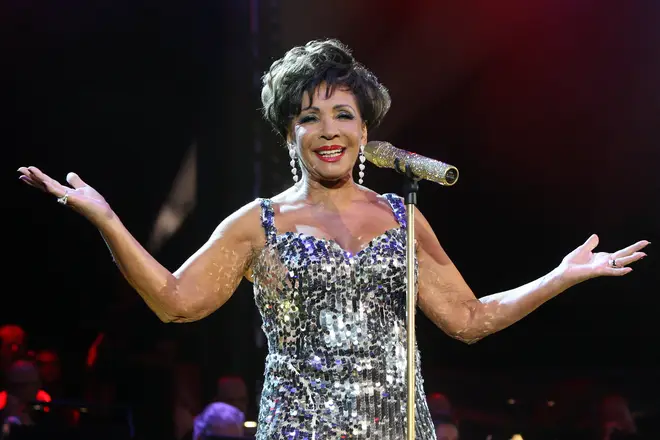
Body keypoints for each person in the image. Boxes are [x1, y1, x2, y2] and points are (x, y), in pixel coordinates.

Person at [16, 39, 649, 440]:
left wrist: (560, 276)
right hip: (301, 428)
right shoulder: (258, 222)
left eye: (343, 114)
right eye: (309, 116)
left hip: (399, 429)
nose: (328, 130)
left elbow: (468, 318)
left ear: (366, 130)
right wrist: (106, 220)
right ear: (288, 132)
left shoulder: (405, 218)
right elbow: (176, 301)